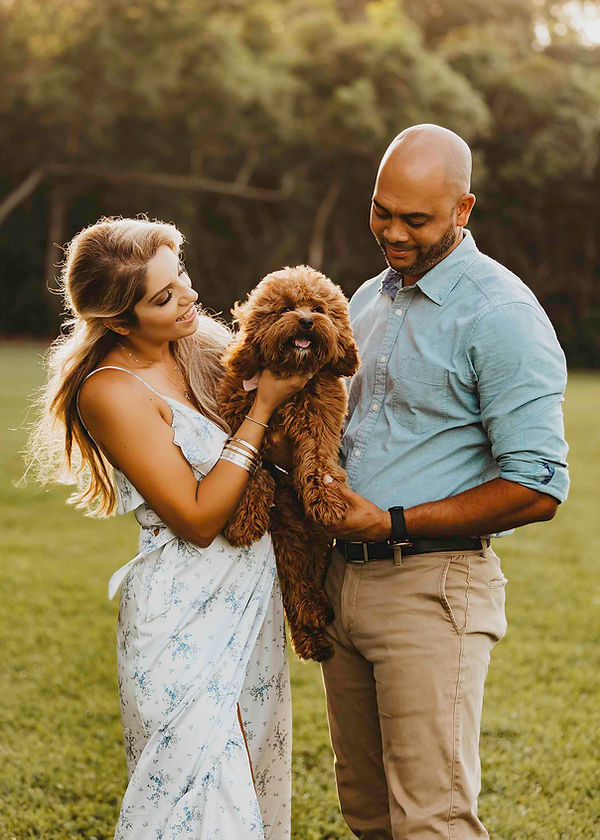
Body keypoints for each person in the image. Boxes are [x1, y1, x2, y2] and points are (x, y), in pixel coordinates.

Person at [320, 125, 570, 839]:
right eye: (381, 210)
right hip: (342, 585)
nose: (392, 232)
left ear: (464, 210)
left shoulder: (502, 315)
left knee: (431, 820)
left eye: (415, 219)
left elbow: (540, 485)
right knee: (367, 814)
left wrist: (393, 522)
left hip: (432, 590)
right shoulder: (369, 298)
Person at [24, 217, 310, 840]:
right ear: (119, 321)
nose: (188, 296)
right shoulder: (110, 390)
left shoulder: (200, 345)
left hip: (251, 599)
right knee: (199, 800)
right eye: (163, 297)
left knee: (252, 781)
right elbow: (200, 518)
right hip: (181, 609)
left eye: (179, 274)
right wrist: (262, 407)